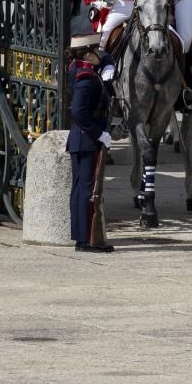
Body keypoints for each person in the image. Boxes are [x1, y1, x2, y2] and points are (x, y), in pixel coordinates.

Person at [66, 33, 114, 253]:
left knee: (78, 190)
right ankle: (87, 239)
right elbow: (78, 111)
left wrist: (107, 63)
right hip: (87, 139)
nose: (99, 55)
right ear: (87, 53)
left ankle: (80, 237)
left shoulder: (76, 69)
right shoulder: (86, 78)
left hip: (78, 139)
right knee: (87, 190)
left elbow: (105, 59)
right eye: (95, 52)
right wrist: (98, 134)